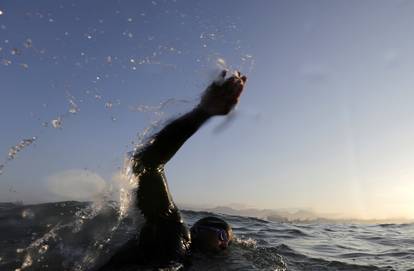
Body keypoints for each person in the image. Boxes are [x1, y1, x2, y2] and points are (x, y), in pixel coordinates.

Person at [100, 70, 247, 270]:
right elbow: (147, 163)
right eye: (221, 235)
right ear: (196, 231)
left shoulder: (185, 253)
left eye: (226, 242)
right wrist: (202, 113)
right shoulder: (172, 230)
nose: (223, 244)